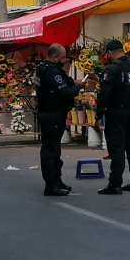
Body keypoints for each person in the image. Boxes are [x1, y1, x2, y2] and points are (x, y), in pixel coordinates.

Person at [94, 40, 130, 195]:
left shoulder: (113, 68)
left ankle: (115, 184)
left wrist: (99, 114)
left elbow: (104, 94)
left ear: (110, 53)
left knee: (117, 148)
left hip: (117, 113)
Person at [36, 43, 86, 196]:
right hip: (52, 114)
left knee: (55, 150)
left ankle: (57, 180)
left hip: (51, 113)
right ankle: (51, 184)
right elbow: (64, 92)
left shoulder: (44, 68)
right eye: (63, 57)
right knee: (50, 150)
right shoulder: (51, 72)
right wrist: (77, 87)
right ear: (55, 57)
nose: (65, 60)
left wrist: (73, 83)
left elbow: (63, 83)